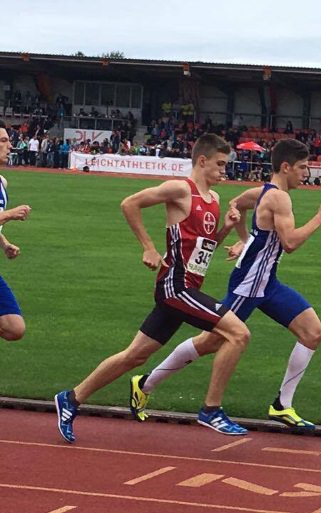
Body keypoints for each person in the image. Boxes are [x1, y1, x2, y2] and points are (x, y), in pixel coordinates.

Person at [54, 134, 250, 443]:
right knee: (239, 334)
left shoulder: (213, 199)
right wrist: (148, 247)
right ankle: (211, 410)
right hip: (175, 287)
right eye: (220, 164)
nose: (225, 171)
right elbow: (129, 203)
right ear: (202, 161)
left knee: (134, 356)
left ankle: (71, 398)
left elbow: (205, 247)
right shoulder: (180, 189)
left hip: (187, 288)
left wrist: (226, 228)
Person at [130, 139, 321, 430]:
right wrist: (319, 218)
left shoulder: (262, 192)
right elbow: (289, 243)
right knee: (213, 341)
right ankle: (146, 384)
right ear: (286, 167)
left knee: (312, 334)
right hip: (248, 285)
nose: (307, 172)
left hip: (268, 284)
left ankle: (282, 406)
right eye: (302, 167)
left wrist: (244, 239)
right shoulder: (278, 197)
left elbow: (236, 204)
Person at [0, 121, 31, 341]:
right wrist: (10, 214)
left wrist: (4, 243)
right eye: (3, 141)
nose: (10, 145)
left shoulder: (2, 182)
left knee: (14, 327)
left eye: (9, 140)